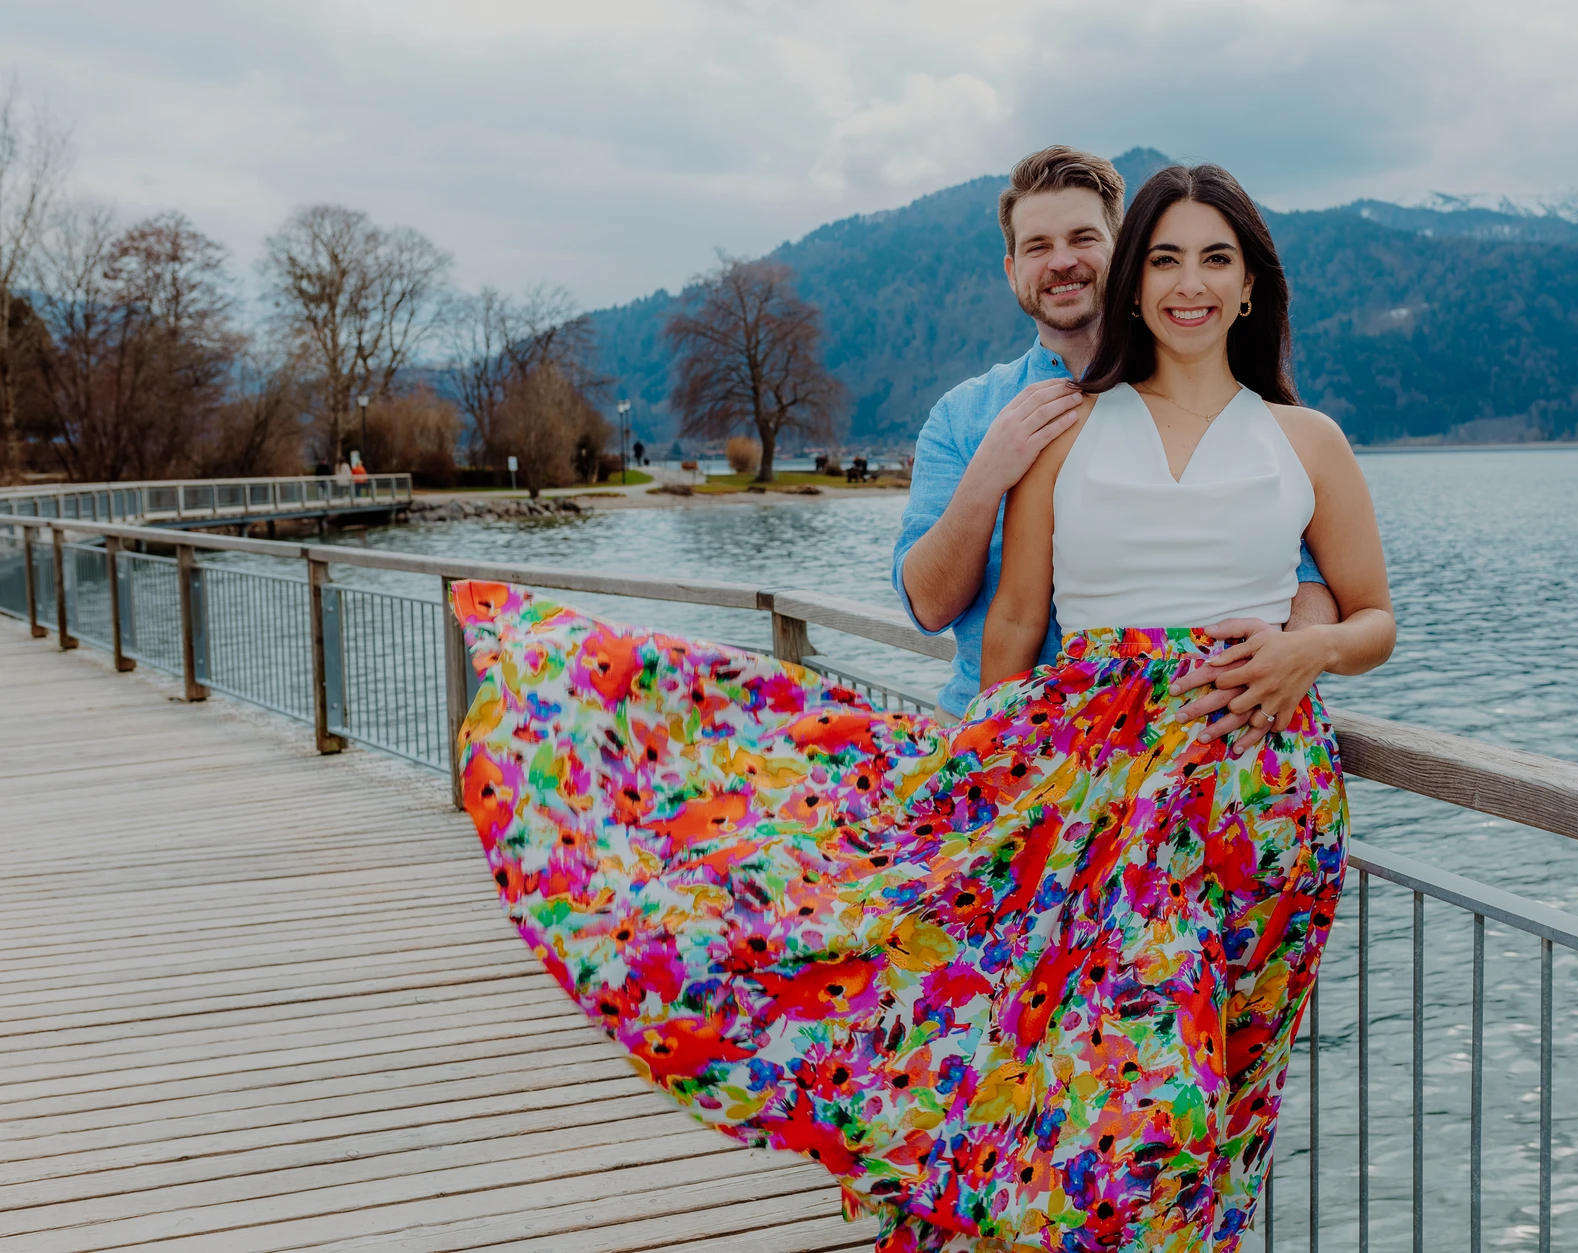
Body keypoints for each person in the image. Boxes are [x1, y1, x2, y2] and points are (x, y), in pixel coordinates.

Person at [450, 161, 1391, 1252]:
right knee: (1123, 1108)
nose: (1187, 282)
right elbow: (1002, 628)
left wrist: (1308, 642)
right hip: (1087, 795)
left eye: (1214, 259)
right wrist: (981, 791)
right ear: (1132, 283)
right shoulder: (1048, 426)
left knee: (1217, 1097)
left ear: (1247, 284)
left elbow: (1369, 612)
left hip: (1252, 803)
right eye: (1165, 258)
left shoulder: (1306, 437)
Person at [894, 146, 1340, 741]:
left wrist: (1293, 657)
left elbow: (1306, 574)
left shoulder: (1214, 406)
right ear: (1011, 270)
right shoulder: (965, 416)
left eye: (1083, 238)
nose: (1062, 262)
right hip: (1001, 729)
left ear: (1123, 250)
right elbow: (929, 607)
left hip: (1196, 739)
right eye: (1037, 247)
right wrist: (987, 474)